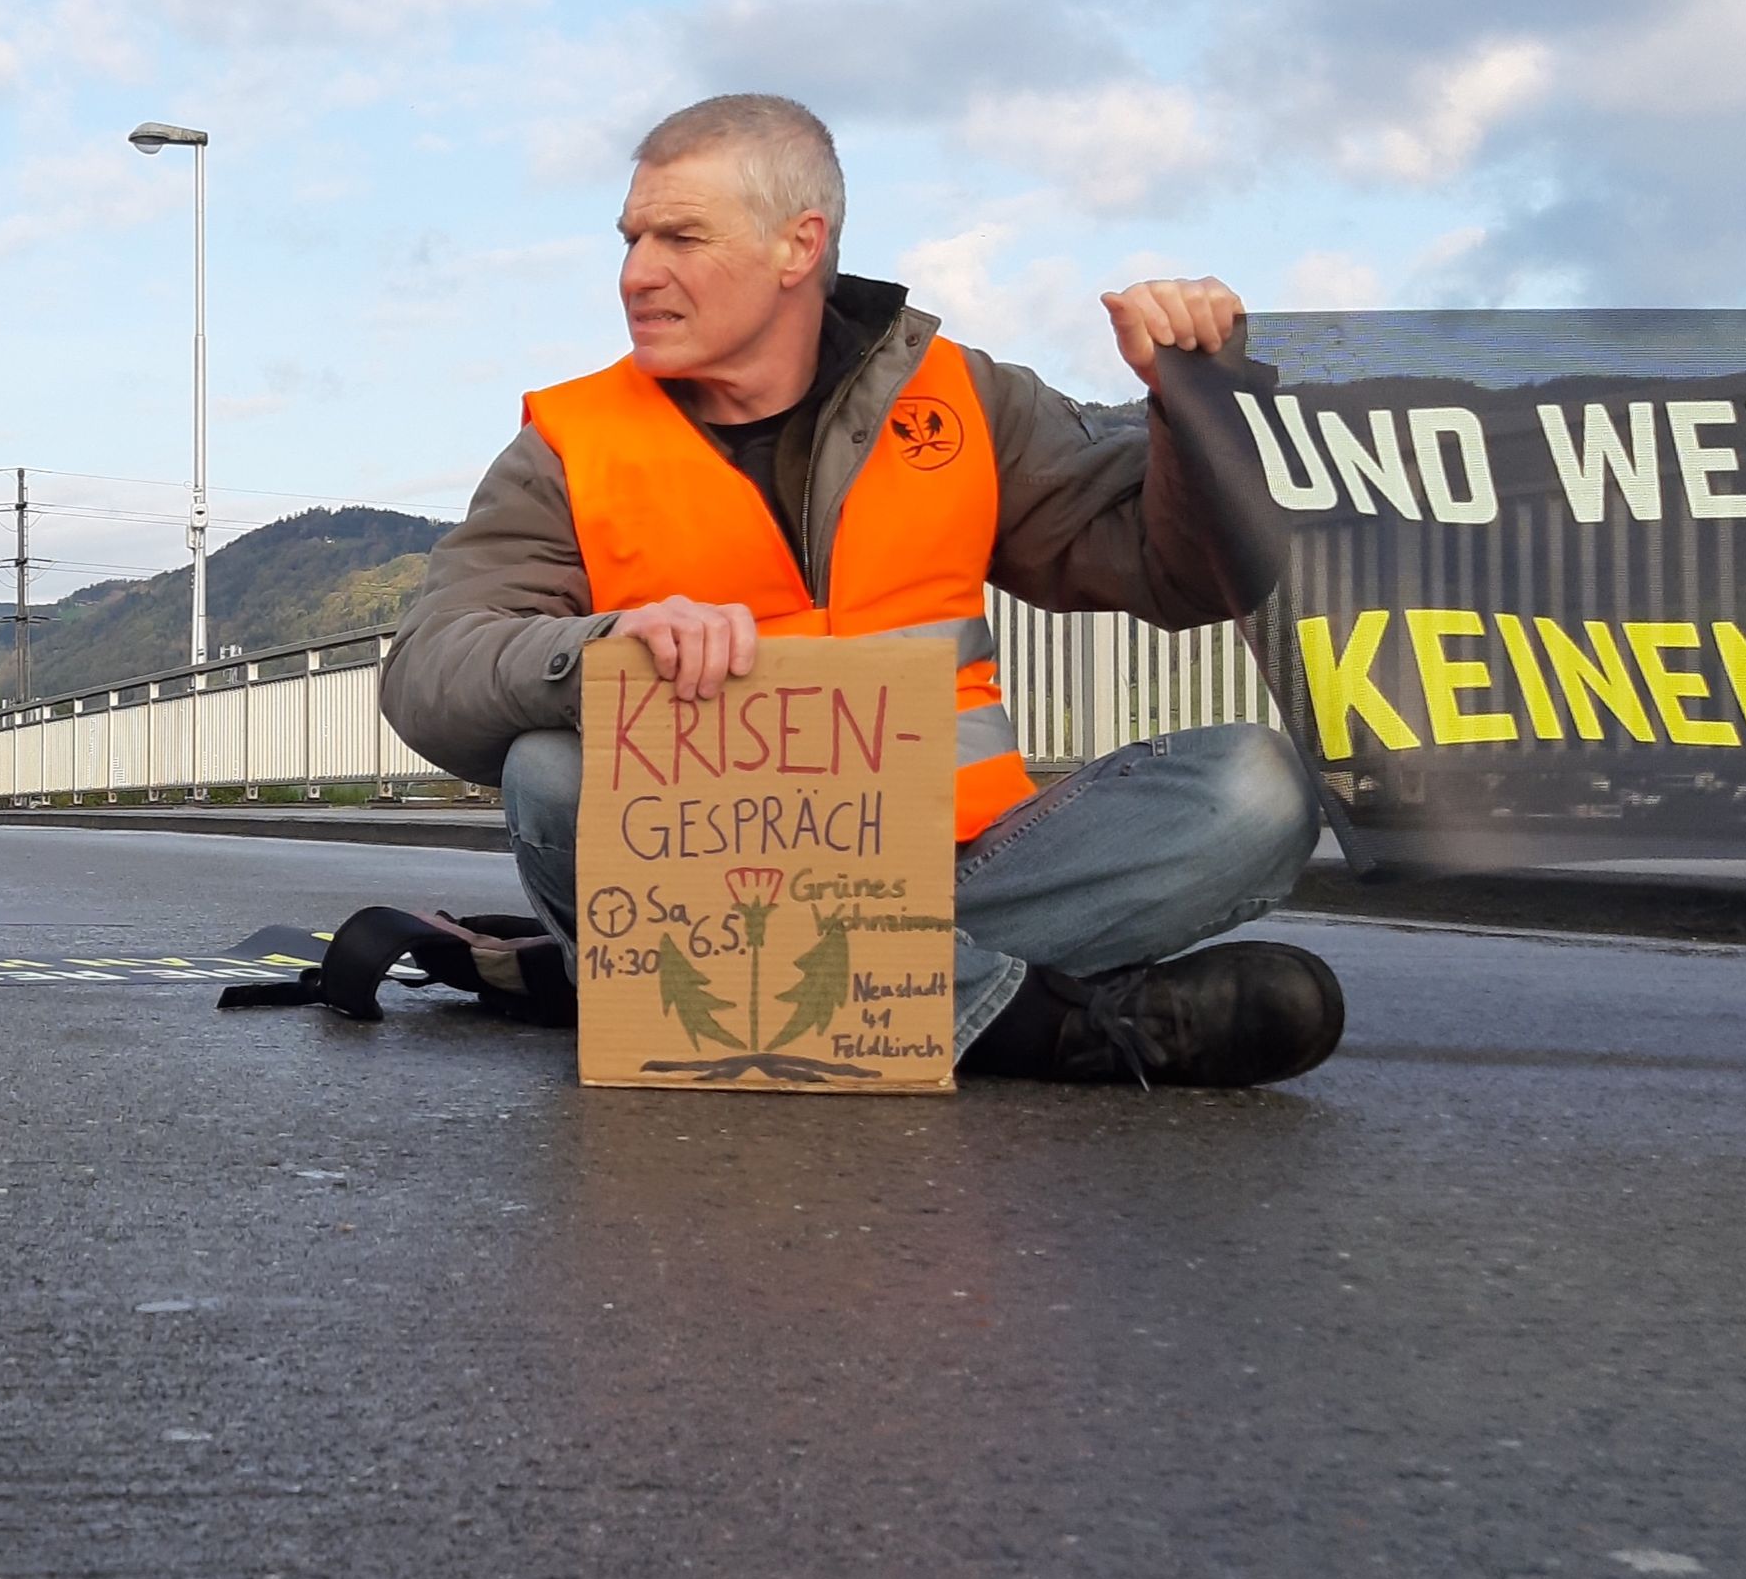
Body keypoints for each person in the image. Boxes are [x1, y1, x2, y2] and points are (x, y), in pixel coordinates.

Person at [378, 94, 1341, 1087]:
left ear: (799, 246)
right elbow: (428, 669)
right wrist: (606, 646)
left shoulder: (966, 396)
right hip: (708, 883)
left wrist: (1186, 406)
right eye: (630, 239)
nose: (636, 273)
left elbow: (1169, 570)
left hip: (962, 865)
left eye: (679, 237)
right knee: (550, 768)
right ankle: (1044, 1026)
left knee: (1257, 785)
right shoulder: (567, 447)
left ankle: (751, 996)